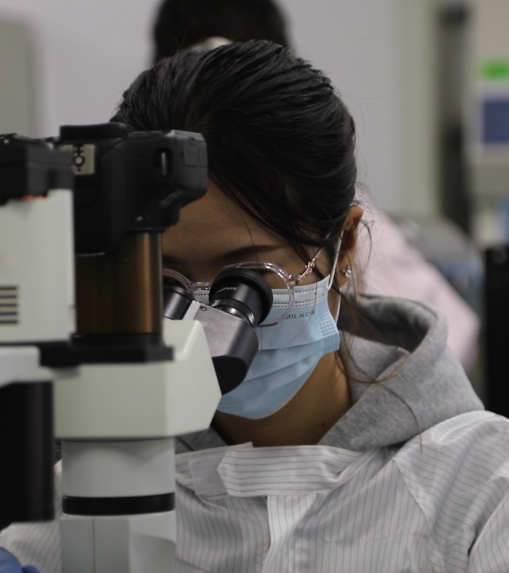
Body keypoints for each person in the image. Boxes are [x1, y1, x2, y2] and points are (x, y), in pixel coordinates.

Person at [0, 42, 509, 573]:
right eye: (166, 280)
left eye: (248, 279)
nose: (207, 320)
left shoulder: (486, 487)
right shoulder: (96, 488)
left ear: (343, 247)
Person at [151, 0, 481, 369]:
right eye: (164, 281)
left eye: (253, 274)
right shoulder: (132, 209)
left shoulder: (342, 229)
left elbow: (448, 350)